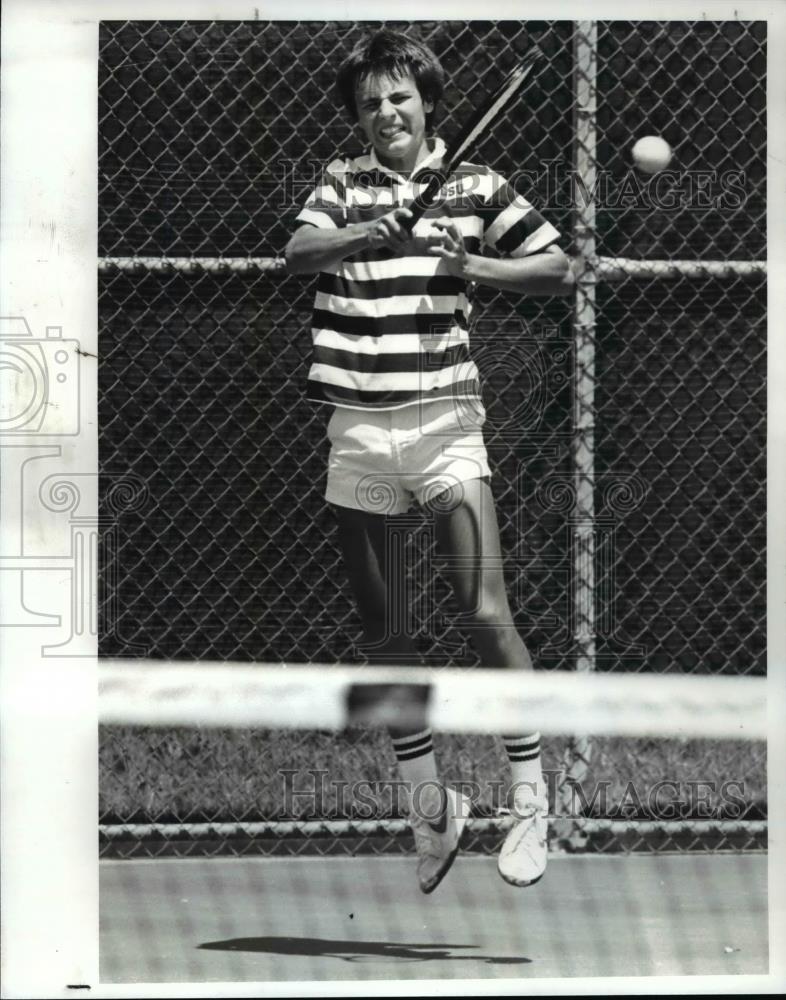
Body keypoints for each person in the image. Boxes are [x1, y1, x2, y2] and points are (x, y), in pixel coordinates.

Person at [285, 28, 573, 894]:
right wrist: (368, 230)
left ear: (428, 102)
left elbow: (558, 267)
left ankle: (529, 800)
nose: (386, 113)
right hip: (359, 432)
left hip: (448, 423)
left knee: (485, 610)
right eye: (371, 103)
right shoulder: (340, 183)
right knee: (387, 630)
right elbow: (298, 251)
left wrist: (469, 261)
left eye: (400, 97)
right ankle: (429, 805)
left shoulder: (479, 185)